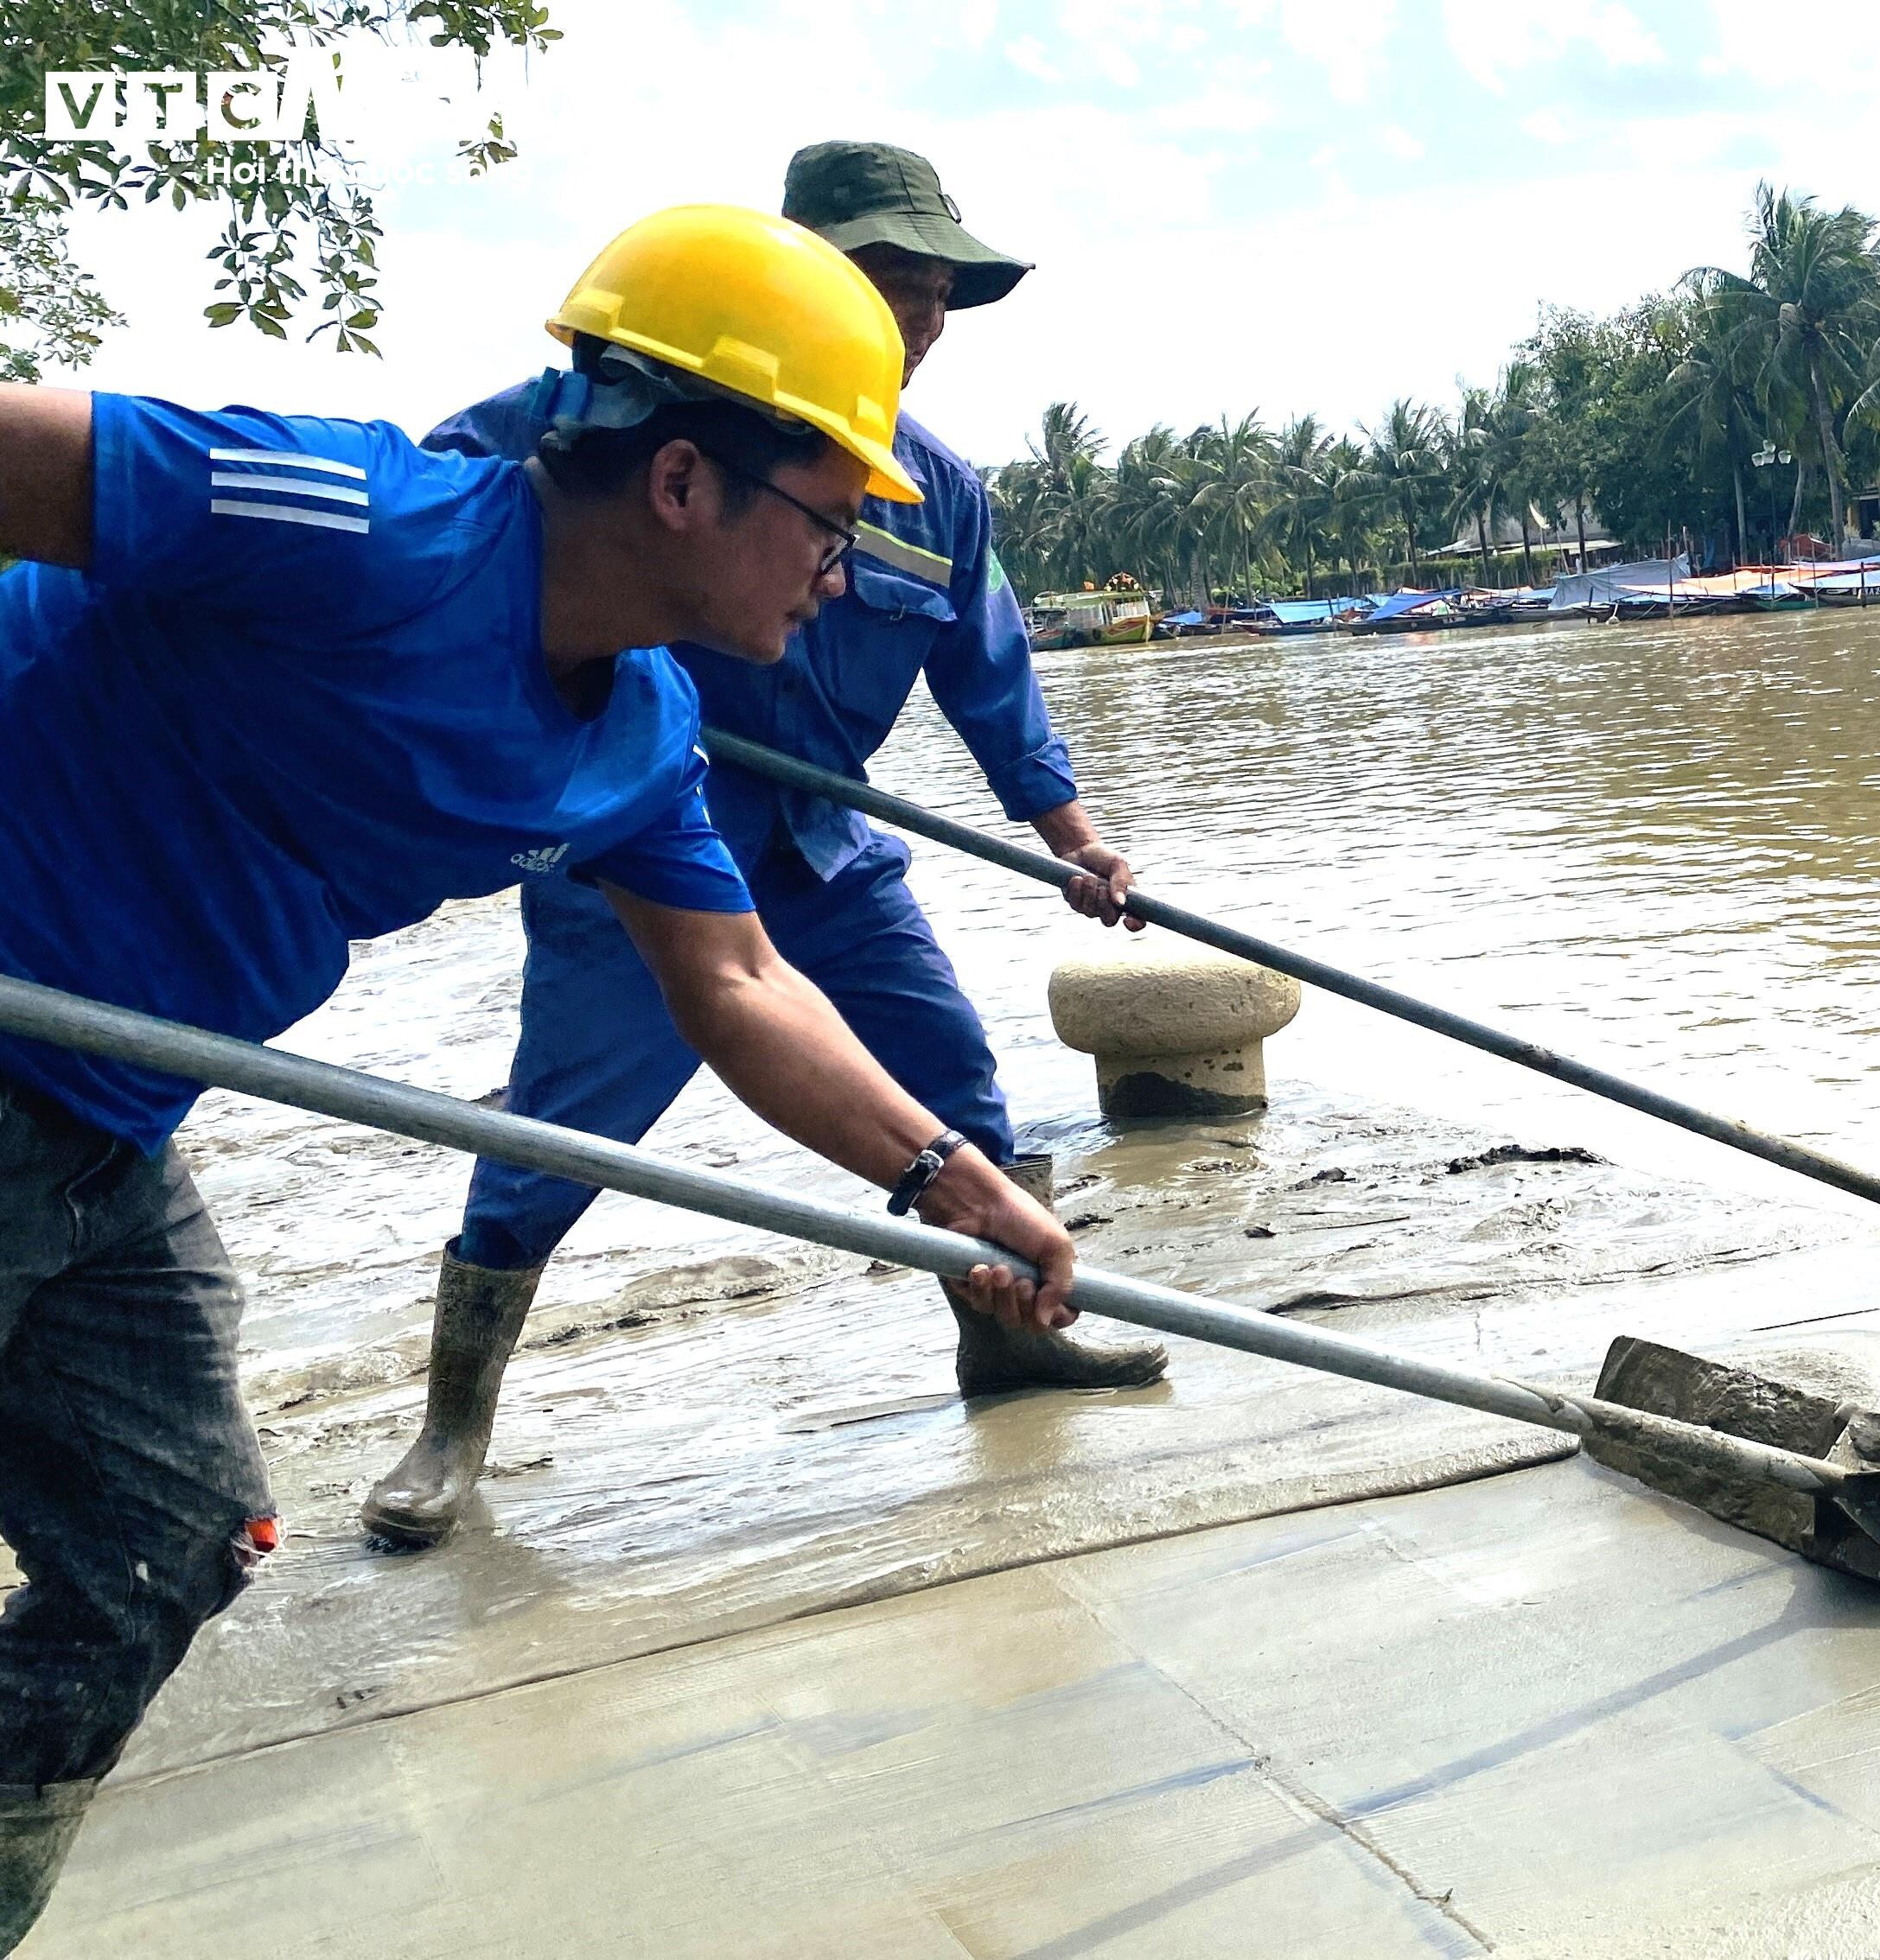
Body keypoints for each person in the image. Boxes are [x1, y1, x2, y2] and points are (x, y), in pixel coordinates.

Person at [0, 204, 1086, 1950]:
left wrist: (951, 1184)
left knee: (172, 1540)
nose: (839, 572)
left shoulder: (643, 734)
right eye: (826, 520)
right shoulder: (353, 519)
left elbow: (737, 984)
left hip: (103, 1120)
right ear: (682, 482)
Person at [357, 143, 1166, 1553]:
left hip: (826, 849)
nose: (918, 321)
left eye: (936, 295)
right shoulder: (640, 426)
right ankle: (452, 1429)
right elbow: (448, 504)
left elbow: (993, 683)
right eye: (887, 283)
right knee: (556, 1136)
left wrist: (1078, 843)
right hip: (639, 852)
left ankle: (1009, 1345)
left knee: (955, 1088)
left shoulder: (936, 495)